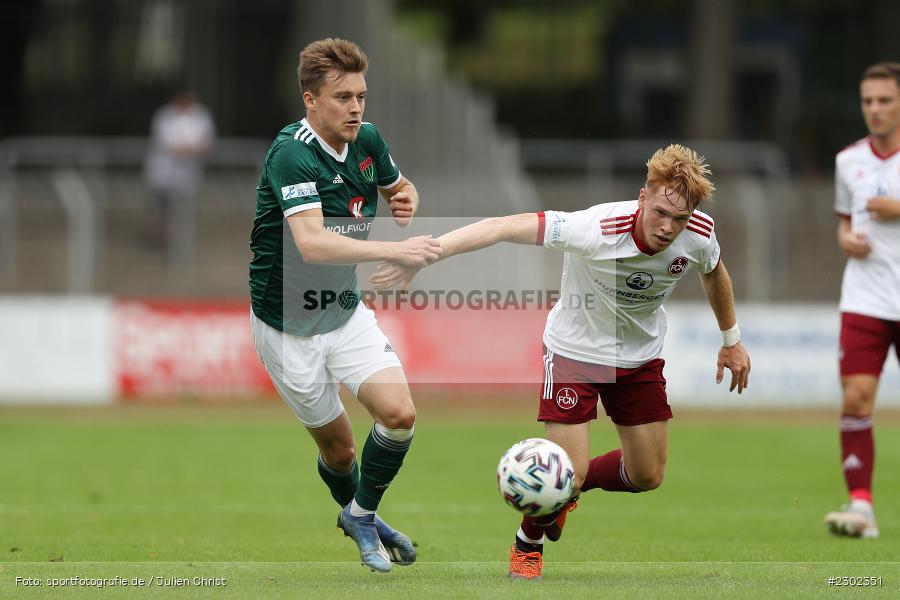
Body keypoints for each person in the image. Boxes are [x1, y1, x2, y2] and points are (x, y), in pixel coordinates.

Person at [370, 144, 751, 580]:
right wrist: (428, 254)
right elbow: (502, 227)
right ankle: (527, 542)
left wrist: (731, 340)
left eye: (678, 220)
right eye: (660, 212)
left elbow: (713, 270)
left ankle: (565, 493)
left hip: (640, 357)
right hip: (576, 352)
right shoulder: (595, 227)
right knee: (565, 474)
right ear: (643, 196)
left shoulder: (699, 233)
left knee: (647, 475)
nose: (668, 228)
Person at [248, 38, 442, 572]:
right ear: (310, 101)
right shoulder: (291, 153)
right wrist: (394, 248)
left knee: (400, 414)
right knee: (340, 452)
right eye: (341, 97)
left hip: (343, 310)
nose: (356, 108)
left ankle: (360, 515)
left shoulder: (368, 139)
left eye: (360, 96)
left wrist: (404, 198)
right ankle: (365, 518)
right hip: (286, 327)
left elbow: (399, 187)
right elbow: (312, 243)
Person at [825, 62, 900, 539]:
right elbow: (844, 221)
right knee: (856, 397)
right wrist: (845, 238)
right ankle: (861, 507)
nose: (874, 109)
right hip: (865, 298)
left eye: (885, 100)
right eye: (868, 101)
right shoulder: (847, 160)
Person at [143, 90, 215, 263]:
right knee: (161, 209)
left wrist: (190, 149)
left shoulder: (201, 116)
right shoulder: (164, 115)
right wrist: (186, 149)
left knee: (184, 211)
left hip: (188, 175)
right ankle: (164, 242)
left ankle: (179, 244)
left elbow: (206, 142)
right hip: (163, 174)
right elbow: (165, 143)